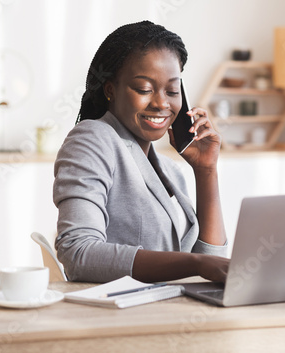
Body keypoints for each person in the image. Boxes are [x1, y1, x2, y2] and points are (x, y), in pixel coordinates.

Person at [53, 20, 229, 284]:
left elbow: (210, 264)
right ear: (111, 90)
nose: (161, 103)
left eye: (172, 90)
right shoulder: (92, 139)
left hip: (166, 313)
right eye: (144, 89)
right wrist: (196, 263)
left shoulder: (171, 172)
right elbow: (78, 253)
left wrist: (206, 171)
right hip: (118, 318)